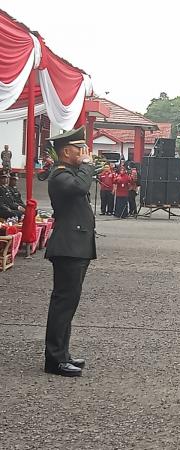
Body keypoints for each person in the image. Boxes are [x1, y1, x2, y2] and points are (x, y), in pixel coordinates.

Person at [44, 127, 96, 377]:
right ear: (66, 152)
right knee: (63, 304)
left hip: (76, 247)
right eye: (79, 149)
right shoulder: (60, 175)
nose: (84, 153)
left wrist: (85, 166)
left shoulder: (72, 173)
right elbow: (79, 188)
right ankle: (54, 359)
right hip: (68, 248)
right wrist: (87, 165)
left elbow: (83, 183)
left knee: (68, 304)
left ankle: (62, 353)